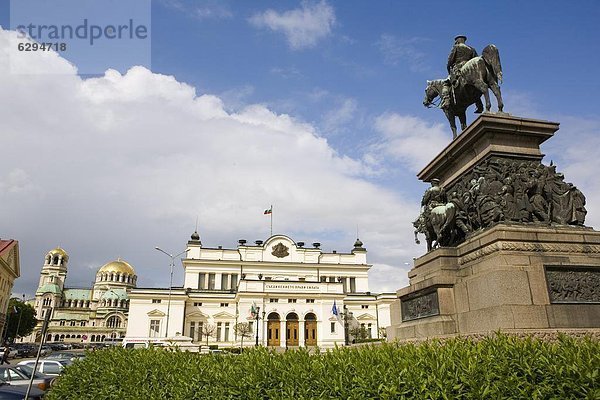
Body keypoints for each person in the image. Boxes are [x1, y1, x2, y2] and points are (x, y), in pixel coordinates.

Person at [441, 35, 484, 113]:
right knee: (475, 85)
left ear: (457, 41)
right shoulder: (471, 49)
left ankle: (446, 100)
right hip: (470, 69)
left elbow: (450, 61)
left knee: (445, 83)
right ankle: (479, 105)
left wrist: (449, 70)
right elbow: (476, 60)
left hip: (458, 68)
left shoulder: (456, 47)